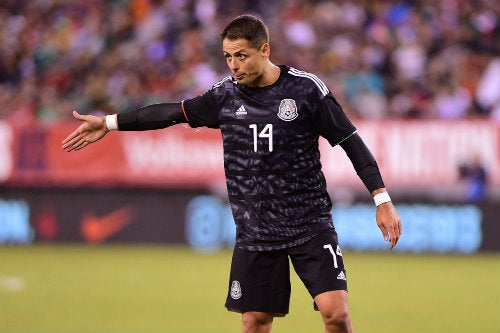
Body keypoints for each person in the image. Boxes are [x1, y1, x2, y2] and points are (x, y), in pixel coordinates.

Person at [62, 14, 402, 333]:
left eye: (241, 55)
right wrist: (109, 123)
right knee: (254, 322)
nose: (234, 65)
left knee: (337, 315)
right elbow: (171, 113)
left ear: (264, 50)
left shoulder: (306, 90)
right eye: (228, 57)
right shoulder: (224, 96)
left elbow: (350, 142)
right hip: (255, 229)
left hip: (308, 222)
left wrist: (381, 199)